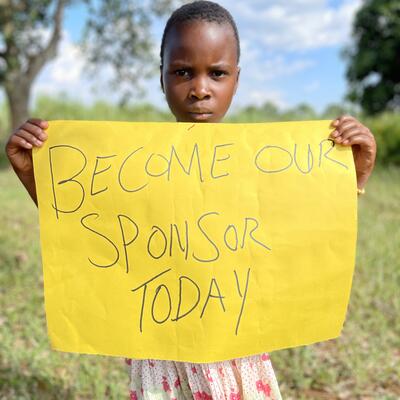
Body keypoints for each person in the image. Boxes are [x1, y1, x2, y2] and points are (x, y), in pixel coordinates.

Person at [5, 1, 377, 399]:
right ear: (162, 77)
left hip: (237, 349)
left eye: (217, 73)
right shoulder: (134, 166)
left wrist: (353, 174)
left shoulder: (264, 164)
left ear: (236, 79)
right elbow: (87, 227)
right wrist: (31, 173)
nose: (200, 89)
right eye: (183, 72)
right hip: (161, 353)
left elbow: (304, 231)